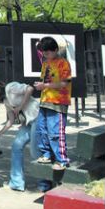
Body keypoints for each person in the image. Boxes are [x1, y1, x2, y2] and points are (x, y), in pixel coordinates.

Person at [0, 80, 40, 192]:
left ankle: (45, 183)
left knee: (35, 151)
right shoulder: (6, 101)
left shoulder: (11, 88)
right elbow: (10, 121)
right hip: (27, 123)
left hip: (36, 118)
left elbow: (30, 89)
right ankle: (17, 183)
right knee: (16, 146)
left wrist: (21, 106)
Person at [33, 36, 72, 174]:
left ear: (55, 50)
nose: (45, 54)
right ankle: (47, 154)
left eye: (48, 52)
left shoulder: (63, 63)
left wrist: (45, 85)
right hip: (45, 101)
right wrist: (41, 86)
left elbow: (64, 83)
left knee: (55, 132)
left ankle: (62, 159)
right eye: (44, 52)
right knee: (42, 130)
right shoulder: (45, 64)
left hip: (58, 102)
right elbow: (45, 82)